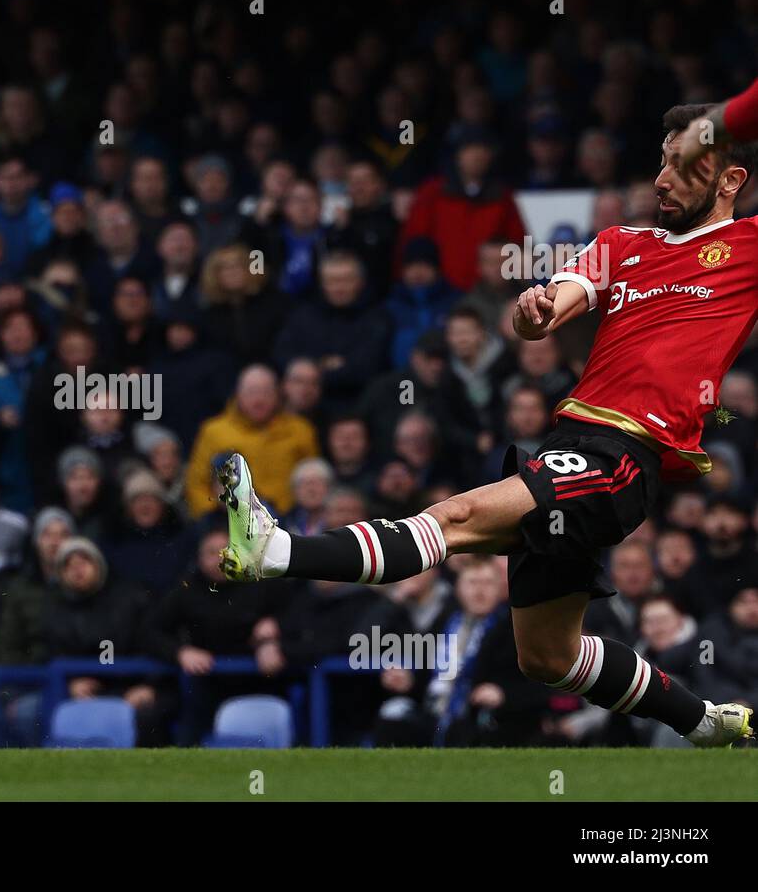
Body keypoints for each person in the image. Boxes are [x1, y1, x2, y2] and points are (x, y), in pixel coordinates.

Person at [216, 103, 758, 748]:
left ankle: (278, 552)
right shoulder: (622, 245)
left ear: (729, 181)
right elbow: (556, 303)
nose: (663, 179)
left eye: (683, 164)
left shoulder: (747, 248)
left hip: (626, 457)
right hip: (570, 443)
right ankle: (701, 722)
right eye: (661, 162)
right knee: (548, 658)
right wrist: (535, 313)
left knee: (458, 518)